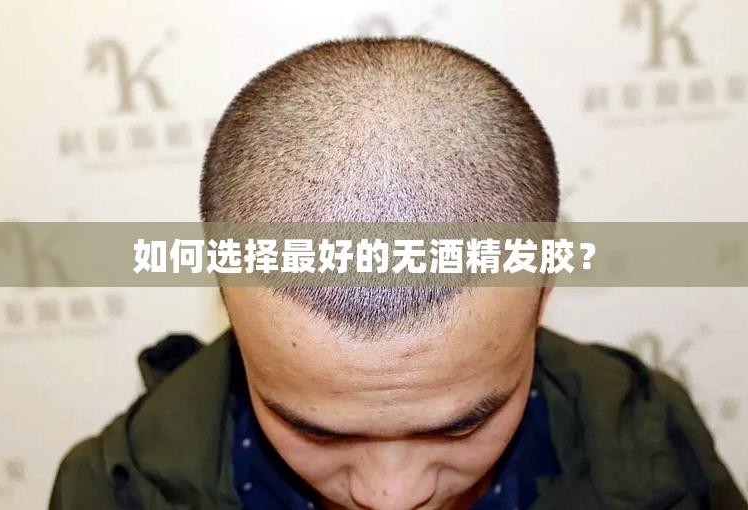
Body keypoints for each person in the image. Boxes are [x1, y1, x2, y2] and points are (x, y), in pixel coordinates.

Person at [49, 38, 747, 510]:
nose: (391, 497)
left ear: (543, 289)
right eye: (320, 434)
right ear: (227, 298)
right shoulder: (112, 492)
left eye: (459, 429)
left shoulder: (654, 445)